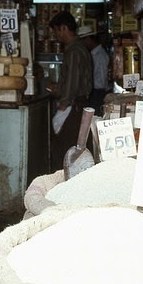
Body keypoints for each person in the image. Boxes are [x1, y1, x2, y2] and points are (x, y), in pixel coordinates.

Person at [47, 10, 93, 171]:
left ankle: (63, 189)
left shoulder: (73, 51)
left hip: (74, 107)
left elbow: (72, 81)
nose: (56, 35)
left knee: (63, 150)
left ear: (64, 28)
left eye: (56, 31)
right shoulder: (78, 48)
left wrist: (64, 103)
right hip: (78, 106)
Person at [78, 26, 110, 116]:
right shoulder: (92, 54)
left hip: (98, 93)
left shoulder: (100, 55)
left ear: (88, 39)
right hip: (94, 92)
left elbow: (103, 80)